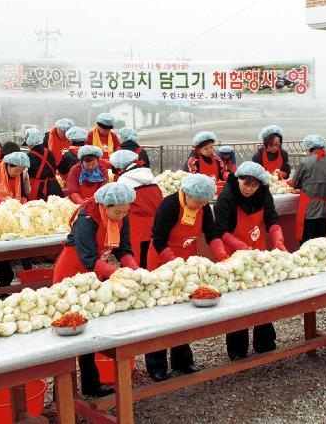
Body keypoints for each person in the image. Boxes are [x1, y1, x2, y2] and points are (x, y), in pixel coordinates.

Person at [52, 183, 138, 397]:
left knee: (91, 327)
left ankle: (91, 384)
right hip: (72, 272)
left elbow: (124, 248)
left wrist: (135, 270)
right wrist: (116, 273)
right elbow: (88, 258)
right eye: (117, 212)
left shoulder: (121, 216)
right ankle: (62, 392)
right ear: (104, 206)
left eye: (126, 211)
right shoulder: (87, 219)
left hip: (98, 270)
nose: (121, 216)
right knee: (69, 329)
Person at [145, 174, 218, 382]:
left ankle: (183, 359)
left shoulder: (203, 208)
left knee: (183, 312)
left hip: (185, 263)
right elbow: (158, 240)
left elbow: (211, 234)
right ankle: (156, 364)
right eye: (197, 201)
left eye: (204, 202)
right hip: (161, 262)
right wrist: (174, 264)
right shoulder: (169, 206)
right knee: (161, 313)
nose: (200, 206)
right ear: (186, 194)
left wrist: (221, 254)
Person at [214, 162, 287, 360]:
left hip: (257, 250)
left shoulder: (264, 193)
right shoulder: (227, 198)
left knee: (263, 296)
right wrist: (242, 248)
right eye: (245, 184)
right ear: (238, 179)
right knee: (238, 301)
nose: (249, 189)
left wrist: (278, 239)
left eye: (253, 186)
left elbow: (272, 220)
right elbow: (220, 230)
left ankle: (265, 341)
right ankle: (237, 349)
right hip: (232, 254)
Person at [0, 152, 31, 290]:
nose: (18, 173)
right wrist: (8, 202)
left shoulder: (19, 173)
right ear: (8, 165)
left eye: (21, 171)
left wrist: (23, 201)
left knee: (5, 251)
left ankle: (4, 286)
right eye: (16, 170)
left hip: (9, 216)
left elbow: (23, 193)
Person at [116, 151, 162, 269]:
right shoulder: (151, 177)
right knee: (150, 259)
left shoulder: (124, 180)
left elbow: (119, 204)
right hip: (154, 224)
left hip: (134, 226)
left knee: (135, 263)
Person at [291, 135, 326, 241]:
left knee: (307, 245)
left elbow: (295, 183)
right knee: (322, 244)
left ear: (309, 148)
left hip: (309, 211)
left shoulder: (306, 162)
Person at [24, 128, 63, 200]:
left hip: (39, 192)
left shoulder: (29, 157)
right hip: (54, 189)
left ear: (29, 143)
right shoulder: (50, 153)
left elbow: (25, 176)